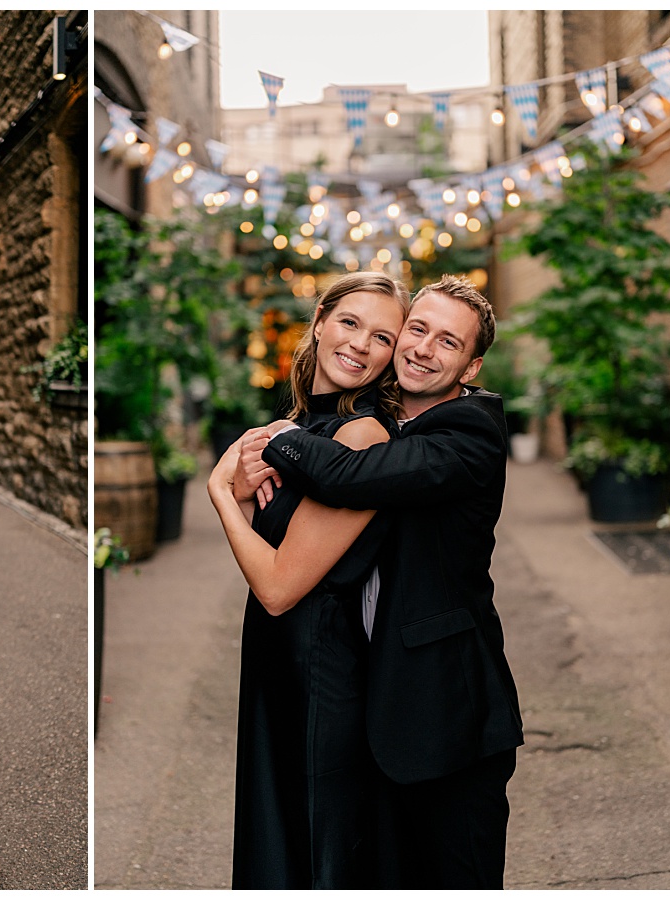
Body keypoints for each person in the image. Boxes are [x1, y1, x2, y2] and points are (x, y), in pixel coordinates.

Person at [245, 274, 523, 888]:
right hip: (383, 711)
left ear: (470, 365)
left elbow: (353, 478)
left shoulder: (470, 432)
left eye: (447, 342)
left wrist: (277, 439)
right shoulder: (390, 420)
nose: (423, 349)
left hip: (448, 713)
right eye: (417, 330)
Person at [206, 271, 410, 888]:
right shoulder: (298, 427)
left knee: (315, 845)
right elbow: (258, 540)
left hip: (323, 666)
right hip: (277, 659)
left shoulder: (362, 437)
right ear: (320, 322)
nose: (360, 345)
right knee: (280, 833)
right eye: (350, 323)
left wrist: (219, 492)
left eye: (382, 336)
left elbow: (276, 587)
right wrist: (242, 494)